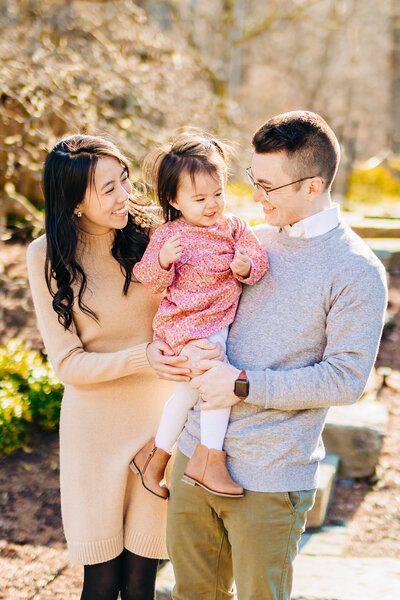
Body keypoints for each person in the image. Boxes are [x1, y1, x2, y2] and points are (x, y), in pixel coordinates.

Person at [149, 111, 388, 600]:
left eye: (268, 186)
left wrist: (241, 384)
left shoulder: (356, 270)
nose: (254, 197)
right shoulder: (247, 242)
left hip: (270, 477)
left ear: (312, 185)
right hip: (194, 457)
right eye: (253, 181)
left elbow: (344, 380)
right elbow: (182, 304)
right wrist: (158, 351)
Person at [26, 134, 221, 600]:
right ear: (75, 201)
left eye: (126, 180)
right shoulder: (45, 255)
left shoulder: (159, 233)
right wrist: (142, 356)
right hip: (94, 436)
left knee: (141, 583)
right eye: (108, 189)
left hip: (160, 432)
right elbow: (67, 364)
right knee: (101, 583)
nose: (126, 196)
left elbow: (219, 265)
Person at [130, 134, 269, 501]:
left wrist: (245, 266)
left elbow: (258, 260)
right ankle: (210, 462)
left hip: (216, 325)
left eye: (218, 194)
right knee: (217, 387)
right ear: (175, 200)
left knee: (186, 395)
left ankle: (154, 460)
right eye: (200, 199)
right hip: (185, 327)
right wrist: (163, 260)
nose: (212, 205)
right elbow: (147, 278)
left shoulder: (235, 228)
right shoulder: (169, 234)